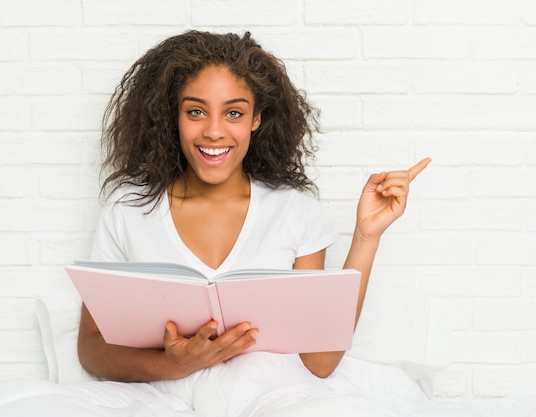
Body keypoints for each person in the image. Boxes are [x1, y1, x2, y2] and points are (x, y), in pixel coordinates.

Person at [77, 30, 431, 414]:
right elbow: (92, 349)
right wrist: (174, 364)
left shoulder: (294, 211)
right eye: (196, 111)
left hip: (270, 398)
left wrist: (366, 237)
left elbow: (320, 363)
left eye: (234, 112)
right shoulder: (127, 211)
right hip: (159, 399)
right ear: (174, 116)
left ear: (256, 119)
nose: (214, 131)